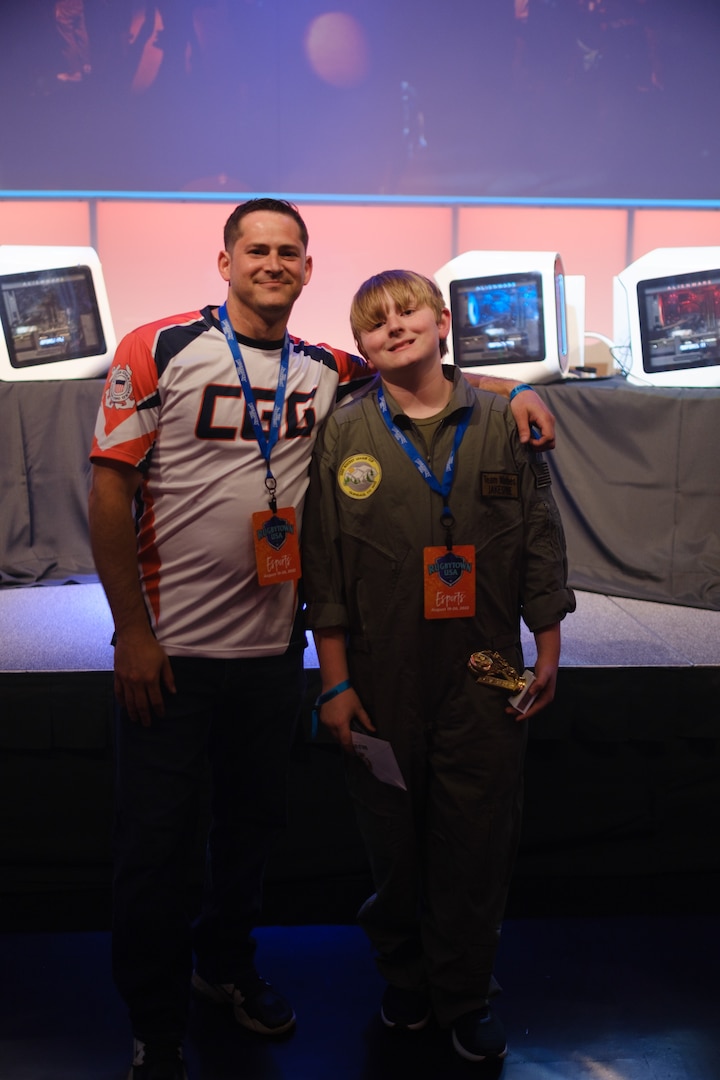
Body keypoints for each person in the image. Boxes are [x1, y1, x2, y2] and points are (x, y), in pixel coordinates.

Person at [87, 199, 558, 1080]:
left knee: (248, 836)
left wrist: (518, 387)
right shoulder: (155, 348)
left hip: (271, 656)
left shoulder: (327, 368)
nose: (272, 263)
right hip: (170, 652)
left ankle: (223, 970)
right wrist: (130, 633)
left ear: (308, 269)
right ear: (224, 259)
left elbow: (423, 373)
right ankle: (155, 1023)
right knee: (156, 847)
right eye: (256, 249)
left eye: (289, 252)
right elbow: (110, 491)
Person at [302, 269, 575, 1064]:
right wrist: (337, 684)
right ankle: (407, 979)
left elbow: (538, 539)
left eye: (408, 311)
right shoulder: (344, 434)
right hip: (381, 675)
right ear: (359, 346)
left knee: (475, 841)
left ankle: (463, 991)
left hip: (487, 668)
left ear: (444, 321)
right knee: (392, 841)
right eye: (374, 322)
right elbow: (324, 572)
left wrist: (548, 645)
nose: (394, 327)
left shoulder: (503, 420)